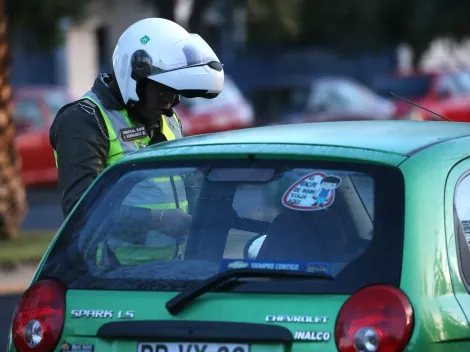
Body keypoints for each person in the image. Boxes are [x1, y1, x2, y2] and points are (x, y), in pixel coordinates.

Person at [49, 18, 224, 248]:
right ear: (135, 76)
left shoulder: (167, 118)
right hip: (108, 276)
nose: (172, 102)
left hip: (174, 272)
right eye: (165, 90)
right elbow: (81, 210)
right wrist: (157, 220)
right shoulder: (85, 119)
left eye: (177, 92)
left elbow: (190, 187)